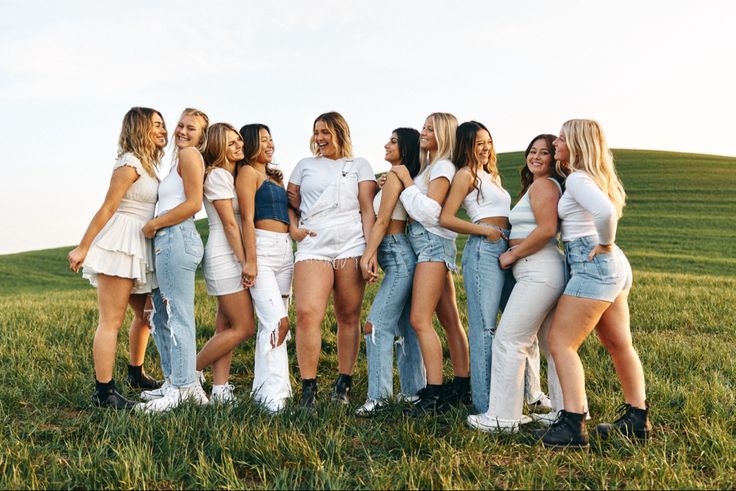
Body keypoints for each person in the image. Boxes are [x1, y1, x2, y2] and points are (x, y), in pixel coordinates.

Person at [535, 119, 649, 448]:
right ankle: (637, 419)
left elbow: (605, 214)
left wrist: (606, 243)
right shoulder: (591, 178)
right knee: (618, 343)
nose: (555, 142)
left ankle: (573, 424)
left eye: (561, 138)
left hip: (594, 263)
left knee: (560, 342)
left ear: (578, 143)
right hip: (611, 268)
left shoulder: (579, 180)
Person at [466, 134, 568, 432]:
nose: (536, 156)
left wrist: (514, 255)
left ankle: (502, 417)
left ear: (554, 158)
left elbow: (547, 229)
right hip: (540, 269)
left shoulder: (544, 185)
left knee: (510, 340)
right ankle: (567, 410)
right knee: (552, 343)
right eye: (532, 151)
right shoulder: (538, 186)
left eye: (544, 152)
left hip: (538, 269)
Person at [68, 107, 167, 409]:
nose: (164, 130)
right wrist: (83, 247)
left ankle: (136, 374)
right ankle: (104, 392)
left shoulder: (149, 166)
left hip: (141, 244)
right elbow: (108, 207)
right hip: (121, 243)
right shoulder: (129, 163)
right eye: (157, 126)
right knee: (111, 320)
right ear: (139, 129)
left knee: (146, 315)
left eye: (164, 125)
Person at [287, 111, 377, 407]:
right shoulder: (304, 166)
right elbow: (291, 204)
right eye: (316, 132)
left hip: (351, 241)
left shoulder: (359, 165)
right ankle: (308, 389)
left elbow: (367, 209)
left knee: (348, 315)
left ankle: (343, 384)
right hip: (314, 241)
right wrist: (294, 228)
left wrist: (369, 251)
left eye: (325, 132)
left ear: (340, 133)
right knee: (307, 314)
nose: (319, 138)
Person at [389, 112, 470, 414]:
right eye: (423, 127)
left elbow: (430, 211)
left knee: (419, 319)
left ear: (445, 134)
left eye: (430, 129)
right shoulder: (430, 166)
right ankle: (462, 384)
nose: (423, 132)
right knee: (449, 320)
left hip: (431, 245)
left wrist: (406, 183)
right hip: (431, 244)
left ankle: (433, 395)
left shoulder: (444, 167)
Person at [136, 108, 210, 413]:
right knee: (163, 316)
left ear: (201, 136)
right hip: (170, 238)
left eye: (190, 128)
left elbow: (193, 204)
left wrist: (155, 224)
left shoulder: (191, 155)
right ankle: (176, 382)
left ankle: (184, 388)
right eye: (180, 125)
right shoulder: (179, 159)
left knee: (177, 314)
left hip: (175, 236)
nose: (181, 131)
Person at [438, 120, 513, 414]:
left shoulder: (490, 175)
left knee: (514, 324)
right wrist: (486, 232)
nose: (485, 147)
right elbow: (447, 218)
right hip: (485, 249)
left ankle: (522, 395)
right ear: (466, 145)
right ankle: (484, 404)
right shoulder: (465, 175)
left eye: (488, 141)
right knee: (485, 328)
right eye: (478, 142)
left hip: (505, 248)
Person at [356, 128, 426, 416]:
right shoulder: (393, 176)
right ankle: (414, 391)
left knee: (376, 326)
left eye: (393, 141)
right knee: (407, 327)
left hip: (396, 253)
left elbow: (383, 220)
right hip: (398, 253)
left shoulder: (398, 173)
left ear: (405, 148)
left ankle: (379, 399)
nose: (386, 144)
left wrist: (368, 255)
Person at [192, 122, 256, 403]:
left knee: (226, 326)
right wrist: (246, 261)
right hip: (225, 255)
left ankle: (220, 388)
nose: (239, 145)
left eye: (239, 140)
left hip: (232, 253)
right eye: (231, 143)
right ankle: (188, 371)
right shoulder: (217, 176)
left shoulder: (232, 176)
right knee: (244, 328)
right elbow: (230, 224)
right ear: (218, 148)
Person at [237, 123, 293, 413]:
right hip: (262, 248)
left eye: (272, 139)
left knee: (270, 323)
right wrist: (251, 259)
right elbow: (246, 218)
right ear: (249, 144)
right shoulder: (247, 173)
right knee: (277, 322)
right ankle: (276, 399)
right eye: (263, 140)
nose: (270, 144)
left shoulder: (275, 176)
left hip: (286, 250)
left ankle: (266, 390)